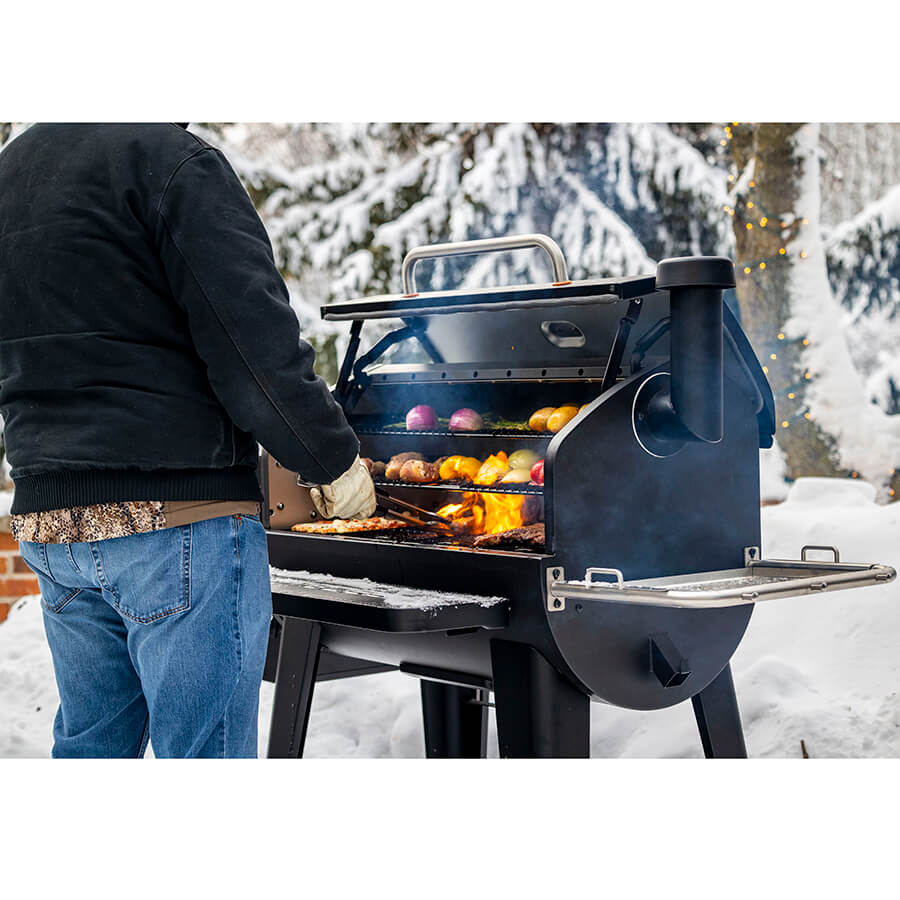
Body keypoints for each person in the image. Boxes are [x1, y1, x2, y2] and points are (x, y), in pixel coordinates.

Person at [0, 123, 375, 758]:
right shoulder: (170, 160)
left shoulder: (12, 169)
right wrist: (332, 460)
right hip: (173, 523)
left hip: (52, 521)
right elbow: (251, 345)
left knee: (92, 752)